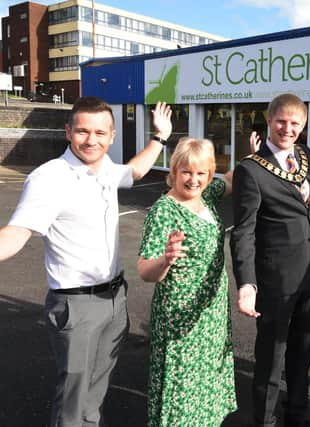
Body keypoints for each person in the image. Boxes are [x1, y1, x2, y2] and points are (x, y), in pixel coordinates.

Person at [0, 97, 172, 426]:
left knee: (96, 388)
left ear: (111, 136)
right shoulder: (48, 178)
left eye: (99, 132)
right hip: (75, 305)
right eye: (82, 131)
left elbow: (135, 171)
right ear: (68, 132)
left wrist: (159, 138)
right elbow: (16, 233)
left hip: (114, 298)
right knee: (73, 395)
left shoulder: (105, 169)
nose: (90, 140)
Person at [231, 93, 310, 427]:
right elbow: (243, 231)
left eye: (295, 124)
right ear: (270, 121)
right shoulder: (250, 170)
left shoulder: (303, 155)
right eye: (281, 122)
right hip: (274, 281)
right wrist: (246, 282)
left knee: (302, 351)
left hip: (308, 276)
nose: (288, 129)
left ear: (302, 127)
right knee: (271, 358)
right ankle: (266, 420)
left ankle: (297, 415)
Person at [137, 137, 236, 426]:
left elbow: (230, 180)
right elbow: (144, 269)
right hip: (180, 318)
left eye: (201, 173)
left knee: (205, 382)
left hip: (211, 313)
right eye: (187, 172)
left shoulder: (207, 195)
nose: (194, 180)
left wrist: (259, 153)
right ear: (175, 171)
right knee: (181, 389)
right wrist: (166, 260)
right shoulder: (164, 211)